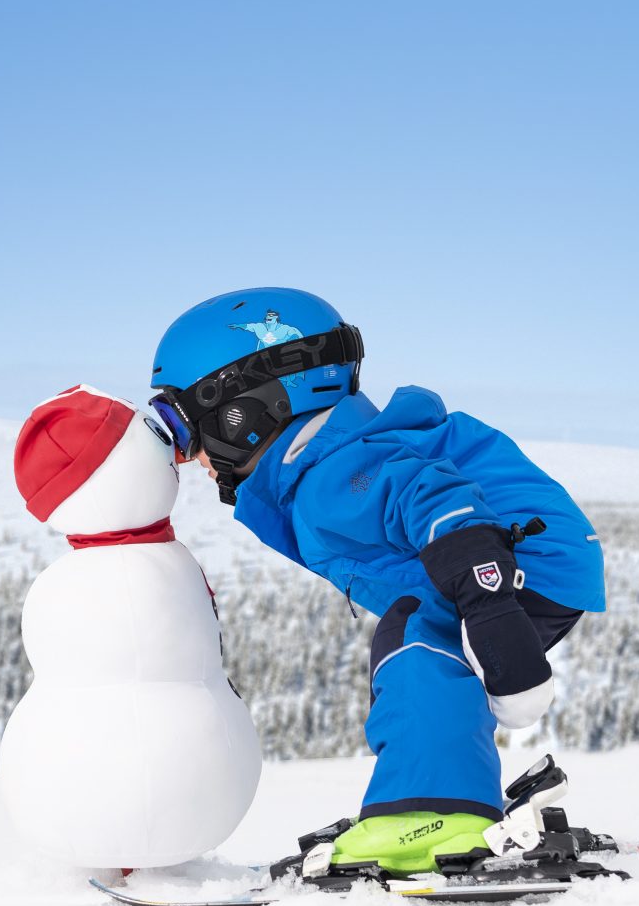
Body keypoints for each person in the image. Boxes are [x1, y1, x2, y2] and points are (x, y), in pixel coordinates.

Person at [147, 287, 605, 873]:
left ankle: (432, 812)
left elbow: (436, 500)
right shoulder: (326, 459)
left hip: (516, 559)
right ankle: (445, 798)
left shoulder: (332, 473)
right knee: (427, 644)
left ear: (245, 407)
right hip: (533, 555)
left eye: (182, 427)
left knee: (415, 639)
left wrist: (488, 605)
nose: (188, 458)